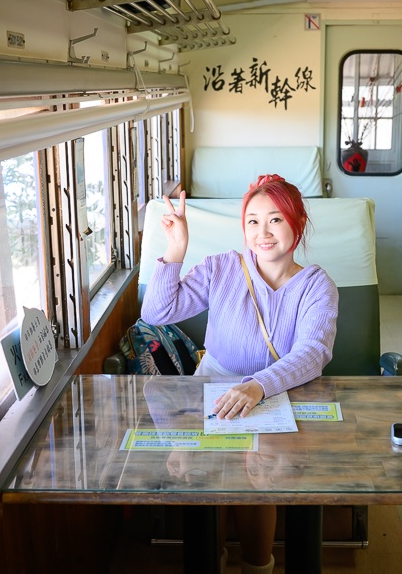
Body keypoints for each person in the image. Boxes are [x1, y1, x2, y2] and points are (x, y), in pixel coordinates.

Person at [141, 174, 339, 574]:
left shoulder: (317, 285)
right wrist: (176, 248)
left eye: (275, 219)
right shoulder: (221, 268)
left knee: (260, 483)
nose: (262, 233)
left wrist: (258, 385)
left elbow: (313, 352)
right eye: (252, 221)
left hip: (281, 391)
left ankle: (256, 564)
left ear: (297, 222)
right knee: (201, 478)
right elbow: (156, 314)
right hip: (213, 384)